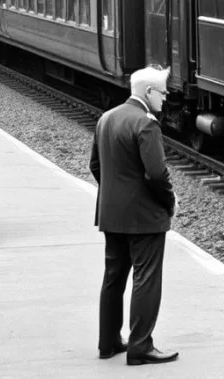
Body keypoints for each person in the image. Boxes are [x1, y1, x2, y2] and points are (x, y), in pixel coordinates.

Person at [90, 65, 179, 365]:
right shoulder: (146, 124)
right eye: (163, 93)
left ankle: (108, 342)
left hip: (111, 216)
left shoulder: (106, 118)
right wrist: (170, 202)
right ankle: (140, 345)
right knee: (146, 278)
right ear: (149, 92)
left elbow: (95, 166)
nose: (165, 99)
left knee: (113, 277)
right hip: (144, 219)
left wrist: (115, 196)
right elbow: (156, 174)